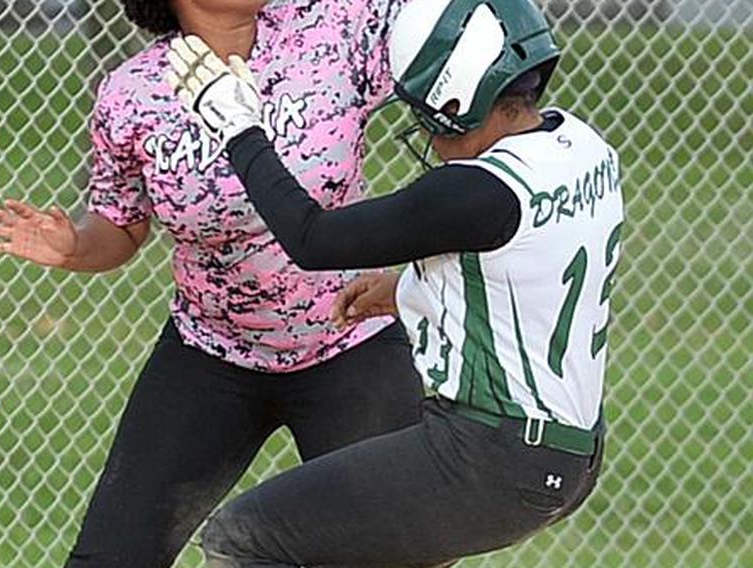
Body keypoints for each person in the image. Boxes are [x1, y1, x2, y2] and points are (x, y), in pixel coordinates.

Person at [164, 0, 624, 564]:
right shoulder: (583, 147)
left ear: (457, 97)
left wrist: (239, 129)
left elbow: (315, 241)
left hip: (492, 453)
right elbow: (524, 274)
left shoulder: (479, 190)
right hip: (566, 451)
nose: (429, 134)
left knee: (246, 537)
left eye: (429, 113)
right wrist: (408, 291)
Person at [0, 1, 425, 566]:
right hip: (210, 354)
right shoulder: (133, 93)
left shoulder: (332, 29)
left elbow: (451, 47)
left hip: (348, 341)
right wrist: (74, 247)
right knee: (111, 558)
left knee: (392, 558)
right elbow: (120, 223)